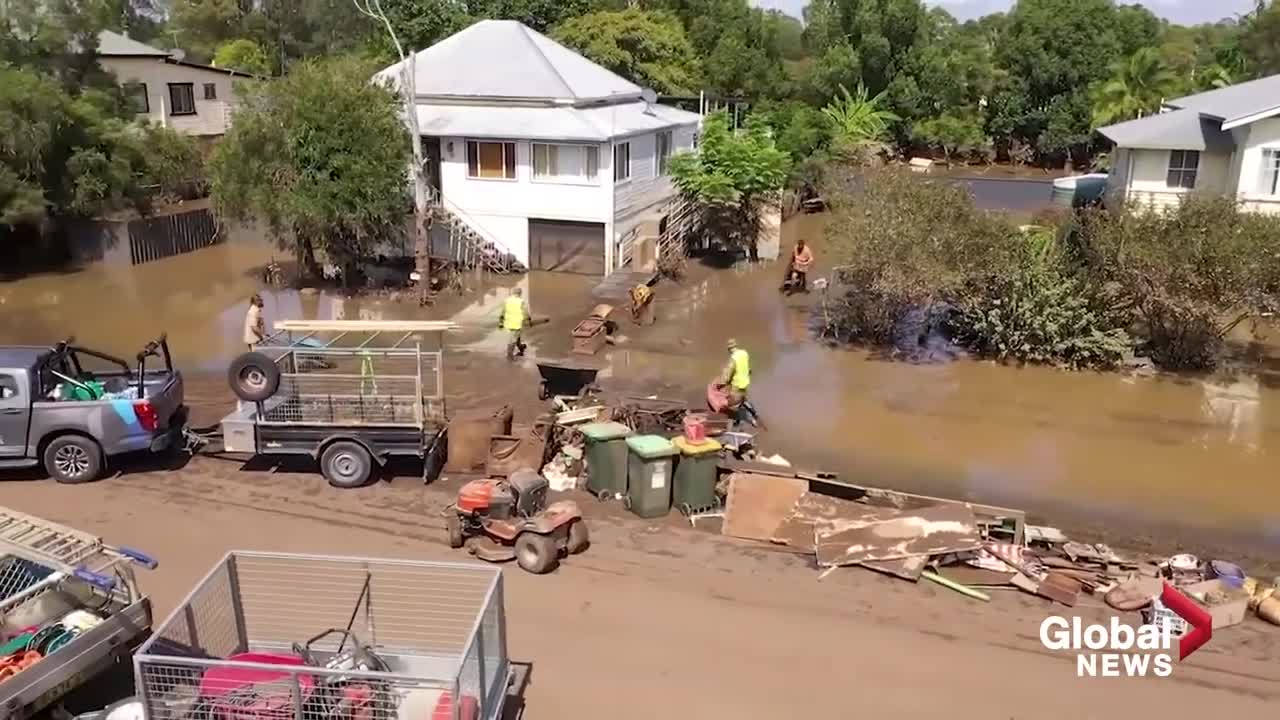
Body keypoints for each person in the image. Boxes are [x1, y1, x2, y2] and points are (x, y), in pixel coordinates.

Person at [717, 339, 762, 428]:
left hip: (737, 384)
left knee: (733, 404)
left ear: (729, 349)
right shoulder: (744, 353)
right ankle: (754, 414)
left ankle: (748, 420)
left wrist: (721, 383)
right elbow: (747, 368)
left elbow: (728, 373)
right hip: (745, 381)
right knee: (742, 400)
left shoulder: (733, 358)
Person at [499, 287, 533, 360]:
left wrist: (501, 322)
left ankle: (519, 347)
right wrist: (529, 320)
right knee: (513, 339)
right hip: (516, 323)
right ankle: (510, 355)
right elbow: (525, 312)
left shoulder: (507, 300)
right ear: (520, 293)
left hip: (508, 322)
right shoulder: (521, 301)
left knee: (514, 337)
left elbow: (503, 311)